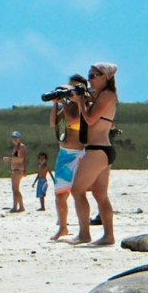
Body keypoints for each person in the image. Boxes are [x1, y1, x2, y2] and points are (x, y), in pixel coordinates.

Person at [66, 62, 118, 246]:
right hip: (103, 149)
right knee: (100, 194)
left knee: (77, 190)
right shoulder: (101, 95)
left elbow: (89, 119)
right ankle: (108, 236)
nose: (90, 80)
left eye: (93, 76)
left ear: (105, 76)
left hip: (97, 150)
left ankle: (84, 234)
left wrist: (80, 102)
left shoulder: (106, 95)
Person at [48, 74, 87, 240]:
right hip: (64, 153)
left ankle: (82, 228)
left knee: (78, 193)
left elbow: (72, 122)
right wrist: (55, 105)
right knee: (60, 194)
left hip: (78, 153)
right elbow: (53, 123)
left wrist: (64, 101)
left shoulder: (83, 104)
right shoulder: (69, 105)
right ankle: (62, 227)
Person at [2, 131, 26, 213]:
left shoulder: (20, 147)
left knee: (15, 189)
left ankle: (18, 207)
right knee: (15, 189)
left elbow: (20, 158)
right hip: (15, 169)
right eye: (13, 137)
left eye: (16, 137)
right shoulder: (16, 147)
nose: (15, 139)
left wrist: (9, 159)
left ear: (19, 138)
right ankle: (18, 206)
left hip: (18, 170)